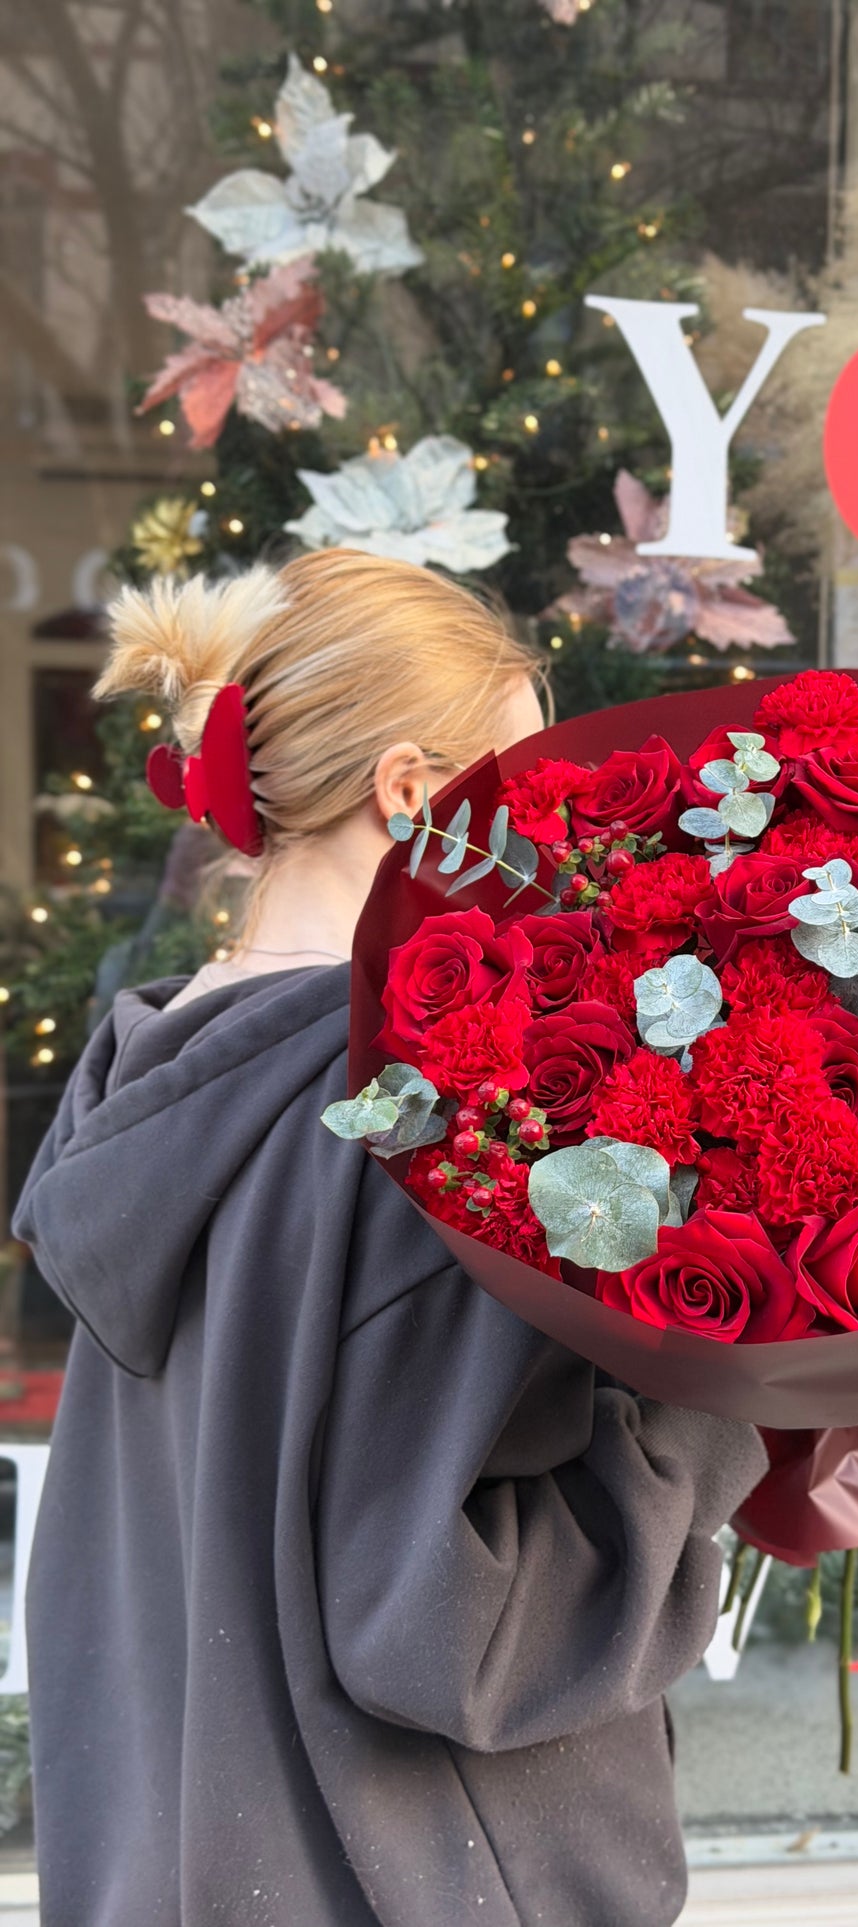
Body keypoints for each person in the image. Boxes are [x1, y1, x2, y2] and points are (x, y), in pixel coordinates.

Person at [12, 550, 765, 1926]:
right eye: (526, 796)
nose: (548, 846)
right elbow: (454, 1631)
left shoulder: (148, 1081)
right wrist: (721, 1410)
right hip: (404, 1881)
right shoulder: (411, 1129)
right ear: (415, 793)